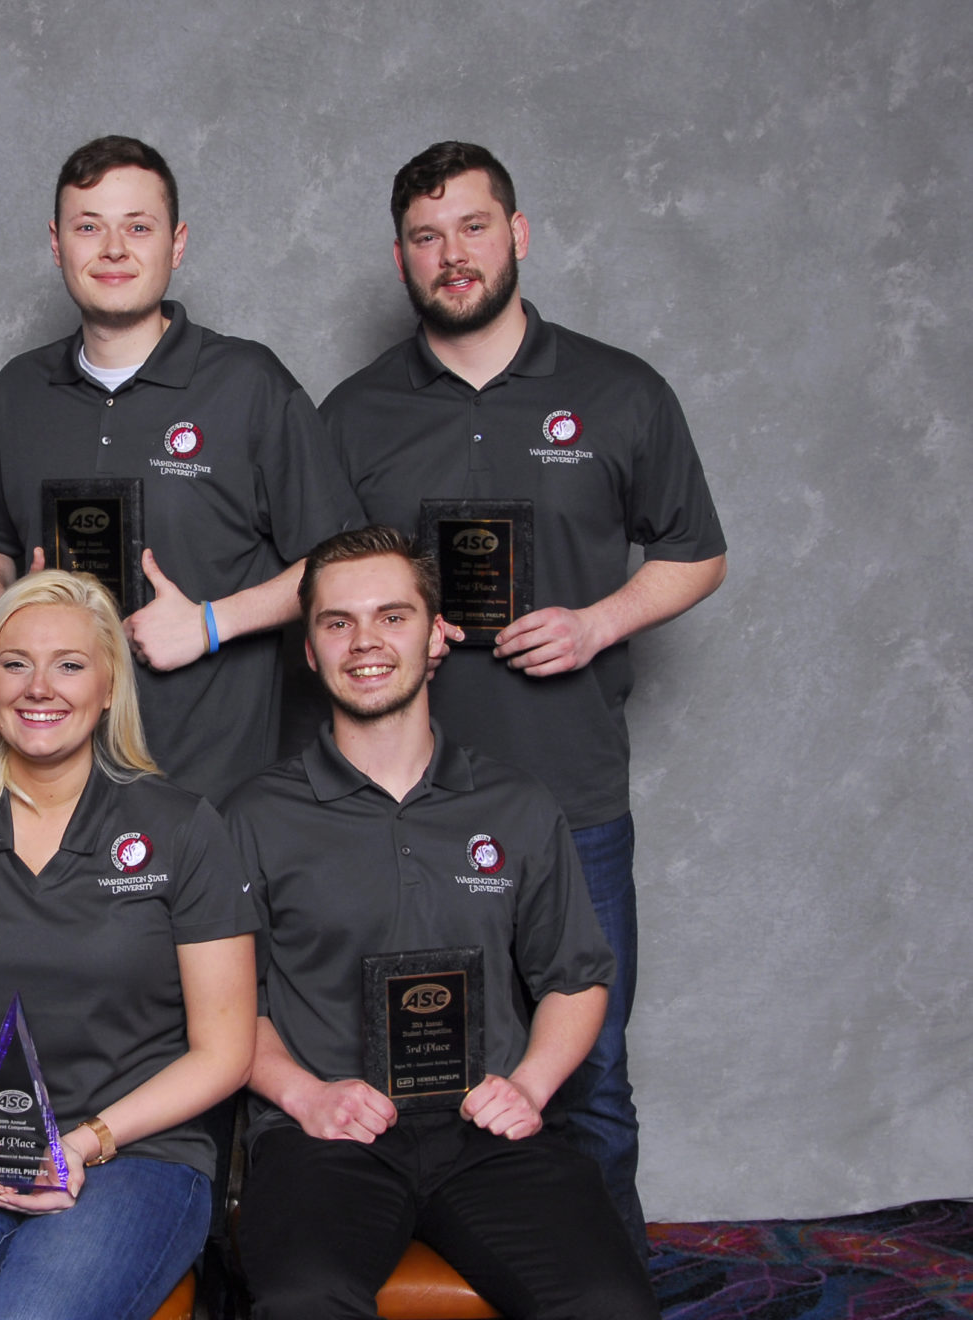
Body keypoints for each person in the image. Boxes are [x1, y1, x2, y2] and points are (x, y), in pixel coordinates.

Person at [318, 141, 728, 1253]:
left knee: (588, 1074)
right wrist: (403, 623)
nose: (452, 256)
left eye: (473, 228)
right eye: (425, 236)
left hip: (569, 789)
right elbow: (324, 584)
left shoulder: (618, 389)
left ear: (519, 234)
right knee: (388, 1066)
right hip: (402, 797)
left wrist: (598, 621)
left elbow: (697, 553)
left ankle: (606, 1281)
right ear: (399, 258)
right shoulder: (354, 414)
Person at [221, 528, 658, 1319]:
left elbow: (578, 979)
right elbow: (225, 1006)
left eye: (392, 616)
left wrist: (527, 1088)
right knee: (301, 1302)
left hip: (489, 1133)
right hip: (325, 1136)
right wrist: (306, 1096)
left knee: (608, 1304)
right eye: (337, 622)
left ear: (437, 637)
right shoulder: (253, 816)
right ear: (311, 652)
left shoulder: (517, 804)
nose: (366, 643)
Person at [0, 569, 257, 1320]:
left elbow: (225, 1050)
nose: (40, 687)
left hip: (136, 1154)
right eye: (16, 663)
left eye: (70, 664)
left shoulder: (184, 827)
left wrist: (84, 1142)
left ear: (108, 686)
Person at [0, 135, 362, 802]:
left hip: (210, 791)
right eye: (90, 227)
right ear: (58, 244)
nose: (113, 249)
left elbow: (342, 564)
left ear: (177, 243)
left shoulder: (249, 384)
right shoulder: (17, 393)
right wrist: (5, 606)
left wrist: (211, 622)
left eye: (138, 227)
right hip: (47, 794)